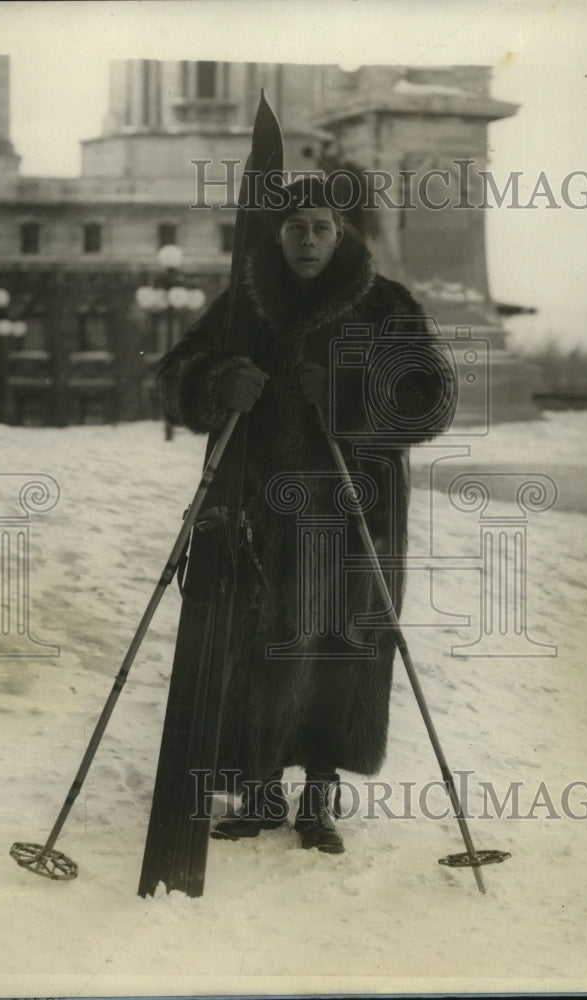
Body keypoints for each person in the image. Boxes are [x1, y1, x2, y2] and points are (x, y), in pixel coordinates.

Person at [158, 176, 457, 854]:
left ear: (341, 232)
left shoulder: (385, 304)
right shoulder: (244, 303)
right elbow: (176, 372)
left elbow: (434, 400)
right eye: (296, 227)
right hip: (260, 511)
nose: (309, 240)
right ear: (278, 234)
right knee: (258, 643)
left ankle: (319, 798)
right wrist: (215, 381)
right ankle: (260, 791)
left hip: (356, 512)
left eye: (322, 227)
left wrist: (353, 392)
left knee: (339, 647)